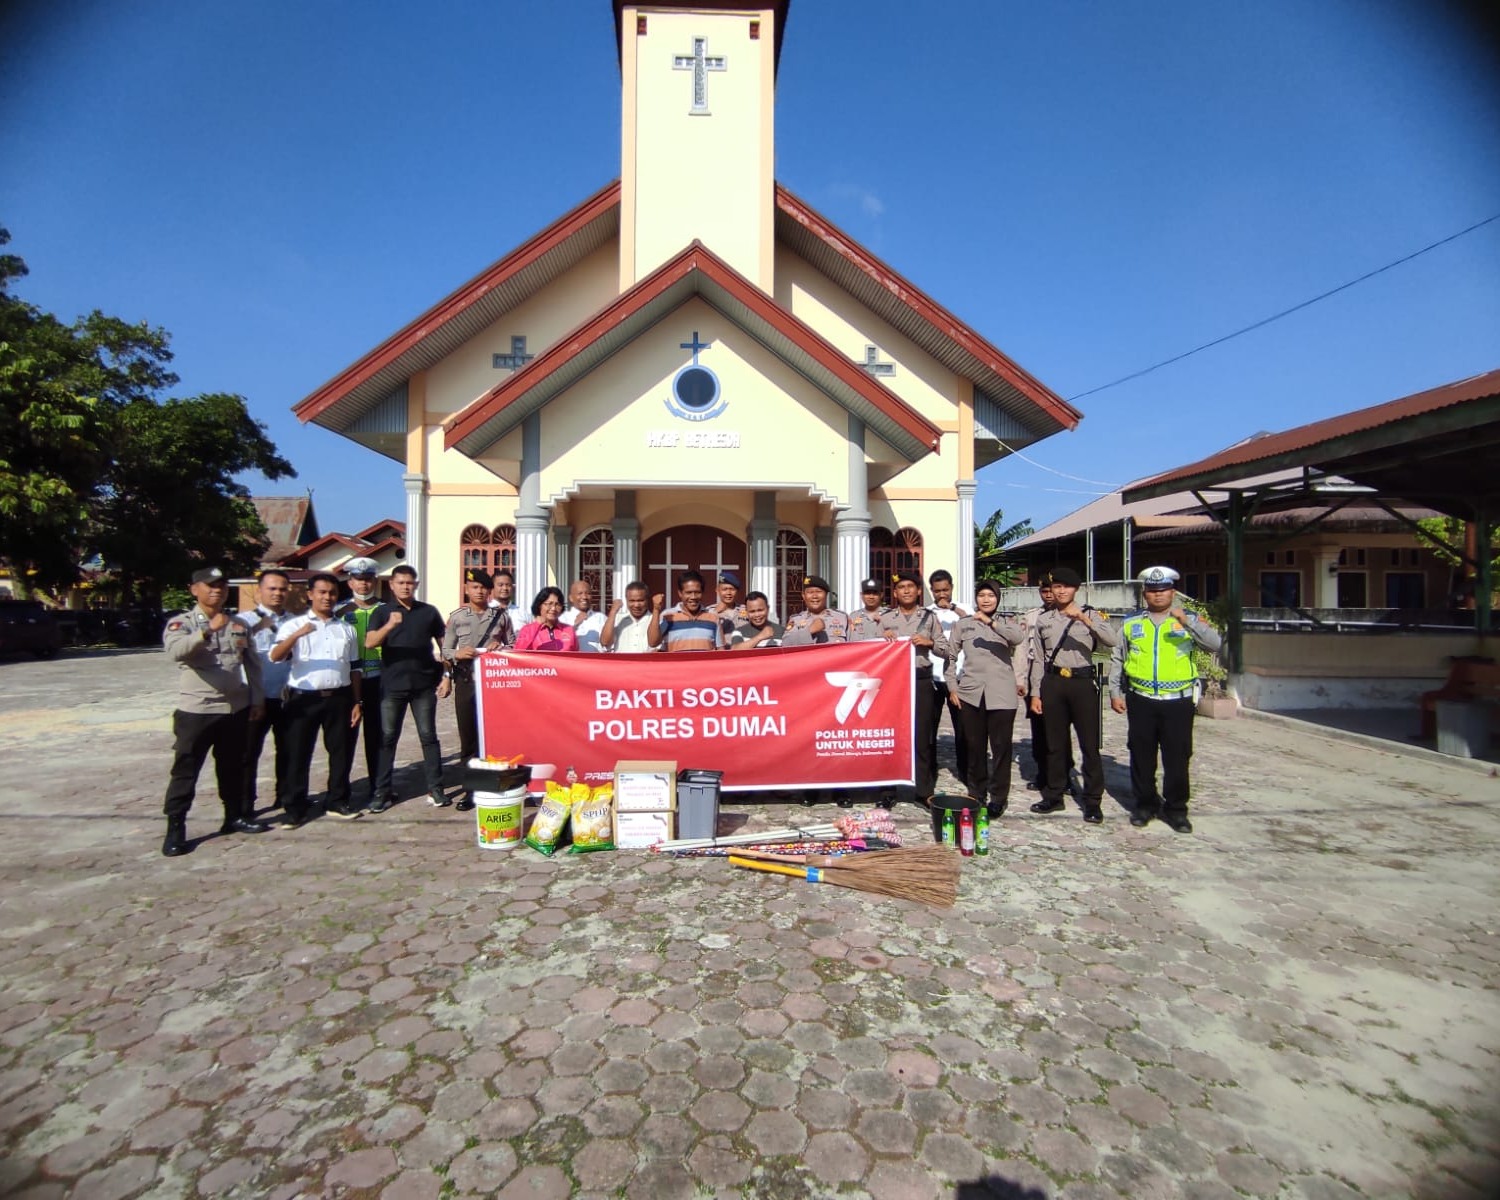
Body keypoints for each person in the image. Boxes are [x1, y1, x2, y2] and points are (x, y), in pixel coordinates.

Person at [160, 567, 269, 856]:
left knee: (234, 767)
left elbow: (253, 665)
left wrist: (257, 700)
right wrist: (207, 630)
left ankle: (233, 816)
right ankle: (176, 827)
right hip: (197, 711)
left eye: (221, 586)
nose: (217, 591)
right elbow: (175, 652)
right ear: (194, 589)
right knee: (186, 770)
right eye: (210, 586)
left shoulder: (238, 624)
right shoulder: (180, 624)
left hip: (235, 709)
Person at [1109, 565, 1222, 834]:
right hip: (1141, 698)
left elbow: (1215, 644)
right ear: (1145, 594)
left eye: (1163, 591)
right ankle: (1145, 804)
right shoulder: (1132, 622)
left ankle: (1176, 809)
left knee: (1177, 757)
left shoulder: (1189, 620)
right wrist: (1115, 692)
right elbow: (1118, 658)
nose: (1157, 596)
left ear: (1173, 592)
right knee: (1141, 754)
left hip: (1177, 701)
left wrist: (1188, 622)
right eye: (1152, 591)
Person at [1026, 567, 1119, 824]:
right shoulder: (1044, 620)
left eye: (1066, 587)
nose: (1061, 591)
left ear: (1075, 589)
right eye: (1057, 587)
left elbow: (1112, 641)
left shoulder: (1090, 614)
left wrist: (1084, 620)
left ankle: (1092, 801)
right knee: (1054, 744)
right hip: (1053, 682)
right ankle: (1054, 795)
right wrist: (1036, 693)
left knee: (1089, 745)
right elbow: (1038, 659)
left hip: (1082, 683)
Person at [271, 572, 364, 827]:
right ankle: (295, 807)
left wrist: (358, 702)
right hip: (304, 700)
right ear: (310, 594)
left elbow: (355, 667)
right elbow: (276, 656)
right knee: (298, 753)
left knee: (341, 752)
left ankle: (337, 800)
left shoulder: (346, 629)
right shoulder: (293, 625)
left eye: (332, 593)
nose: (327, 597)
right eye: (322, 592)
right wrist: (298, 635)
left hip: (340, 698)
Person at [363, 564, 448, 809]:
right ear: (391, 585)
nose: (405, 587)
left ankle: (436, 788)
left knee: (429, 736)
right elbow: (370, 642)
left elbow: (445, 645)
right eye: (400, 582)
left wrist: (446, 675)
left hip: (423, 685)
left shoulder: (428, 612)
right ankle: (382, 791)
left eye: (409, 583)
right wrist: (389, 626)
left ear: (416, 585)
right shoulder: (382, 612)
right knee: (387, 738)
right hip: (393, 685)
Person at [939, 579, 1026, 817]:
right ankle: (977, 792)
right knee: (974, 746)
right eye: (982, 595)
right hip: (971, 693)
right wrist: (952, 687)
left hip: (1001, 695)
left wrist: (992, 623)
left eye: (991, 595)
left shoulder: (1008, 623)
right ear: (976, 598)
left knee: (1001, 748)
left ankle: (999, 796)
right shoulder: (963, 624)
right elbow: (951, 656)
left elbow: (1017, 638)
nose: (986, 599)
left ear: (998, 599)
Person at [442, 568, 513, 784]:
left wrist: (500, 646)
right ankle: (470, 786)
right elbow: (444, 650)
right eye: (475, 587)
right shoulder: (457, 617)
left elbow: (514, 644)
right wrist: (457, 654)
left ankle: (493, 781)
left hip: (493, 684)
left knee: (492, 734)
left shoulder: (501, 616)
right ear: (467, 589)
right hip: (465, 680)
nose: (480, 592)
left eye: (484, 588)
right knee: (468, 734)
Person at [879, 570, 942, 804]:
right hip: (893, 683)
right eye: (901, 587)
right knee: (891, 735)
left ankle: (924, 791)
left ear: (918, 591)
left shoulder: (930, 618)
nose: (906, 590)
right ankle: (887, 790)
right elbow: (872, 652)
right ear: (895, 592)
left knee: (922, 736)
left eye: (910, 586)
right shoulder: (885, 619)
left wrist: (930, 642)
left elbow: (945, 649)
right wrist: (882, 638)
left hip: (920, 680)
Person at [240, 569, 293, 818]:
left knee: (288, 752)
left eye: (282, 588)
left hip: (285, 698)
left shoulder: (295, 622)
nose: (277, 593)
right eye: (272, 588)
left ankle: (285, 797)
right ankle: (244, 806)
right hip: (254, 699)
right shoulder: (243, 622)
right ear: (259, 589)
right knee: (248, 754)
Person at [335, 557, 386, 807]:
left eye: (367, 580)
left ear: (374, 581)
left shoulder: (386, 609)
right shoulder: (339, 612)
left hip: (378, 680)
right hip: (347, 682)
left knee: (377, 737)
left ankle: (378, 787)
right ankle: (341, 791)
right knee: (345, 739)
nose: (363, 585)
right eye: (358, 579)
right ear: (350, 581)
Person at [1016, 580, 1073, 793]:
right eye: (1044, 591)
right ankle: (1043, 772)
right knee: (1039, 729)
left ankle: (1064, 775)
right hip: (1035, 676)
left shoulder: (1071, 614)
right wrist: (1020, 679)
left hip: (1060, 676)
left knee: (1061, 729)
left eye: (1052, 590)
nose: (1049, 595)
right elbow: (1022, 649)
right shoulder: (1031, 617)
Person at [928, 569, 970, 785]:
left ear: (952, 588)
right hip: (934, 677)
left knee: (963, 728)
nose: (942, 595)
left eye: (945, 590)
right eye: (937, 591)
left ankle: (965, 771)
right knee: (929, 728)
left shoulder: (965, 609)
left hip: (959, 676)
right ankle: (930, 771)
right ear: (931, 591)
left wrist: (952, 608)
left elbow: (973, 624)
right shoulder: (926, 613)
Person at [648, 571, 725, 651]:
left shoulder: (713, 617)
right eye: (688, 593)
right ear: (680, 593)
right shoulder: (668, 616)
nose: (693, 597)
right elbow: (653, 642)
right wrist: (656, 609)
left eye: (697, 592)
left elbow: (720, 650)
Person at [782, 576, 849, 645]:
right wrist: (809, 631)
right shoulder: (796, 620)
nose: (814, 596)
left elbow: (854, 645)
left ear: (826, 595)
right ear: (803, 596)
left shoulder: (842, 617)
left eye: (819, 591)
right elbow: (785, 643)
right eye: (810, 592)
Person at [515, 586, 580, 651]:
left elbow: (576, 657)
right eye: (549, 604)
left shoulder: (569, 630)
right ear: (539, 605)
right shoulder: (527, 630)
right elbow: (518, 653)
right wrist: (537, 625)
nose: (553, 608)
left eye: (557, 604)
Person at [599, 580, 656, 652]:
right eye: (632, 601)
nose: (636, 605)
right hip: (621, 662)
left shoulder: (655, 620)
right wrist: (613, 611)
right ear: (626, 600)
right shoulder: (618, 619)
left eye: (640, 600)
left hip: (644, 662)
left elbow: (656, 648)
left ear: (647, 600)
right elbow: (605, 642)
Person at [708, 571, 748, 639]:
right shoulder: (709, 611)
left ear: (737, 591)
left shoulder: (745, 610)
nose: (728, 593)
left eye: (732, 589)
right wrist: (716, 612)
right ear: (717, 590)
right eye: (724, 589)